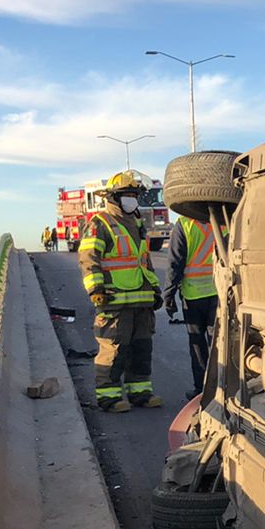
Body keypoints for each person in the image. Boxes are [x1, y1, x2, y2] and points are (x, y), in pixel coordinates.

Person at [79, 170, 163, 412]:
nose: (131, 199)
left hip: (141, 300)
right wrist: (95, 288)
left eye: (134, 195)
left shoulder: (137, 224)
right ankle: (109, 397)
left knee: (141, 349)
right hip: (114, 300)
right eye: (127, 195)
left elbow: (143, 261)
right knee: (114, 349)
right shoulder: (100, 223)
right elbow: (88, 257)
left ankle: (141, 393)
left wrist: (154, 289)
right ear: (114, 198)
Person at [163, 213, 225, 400]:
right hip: (220, 293)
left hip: (194, 296)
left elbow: (175, 263)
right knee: (221, 343)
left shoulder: (184, 224)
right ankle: (224, 386)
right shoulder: (224, 220)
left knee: (197, 345)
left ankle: (202, 389)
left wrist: (169, 294)